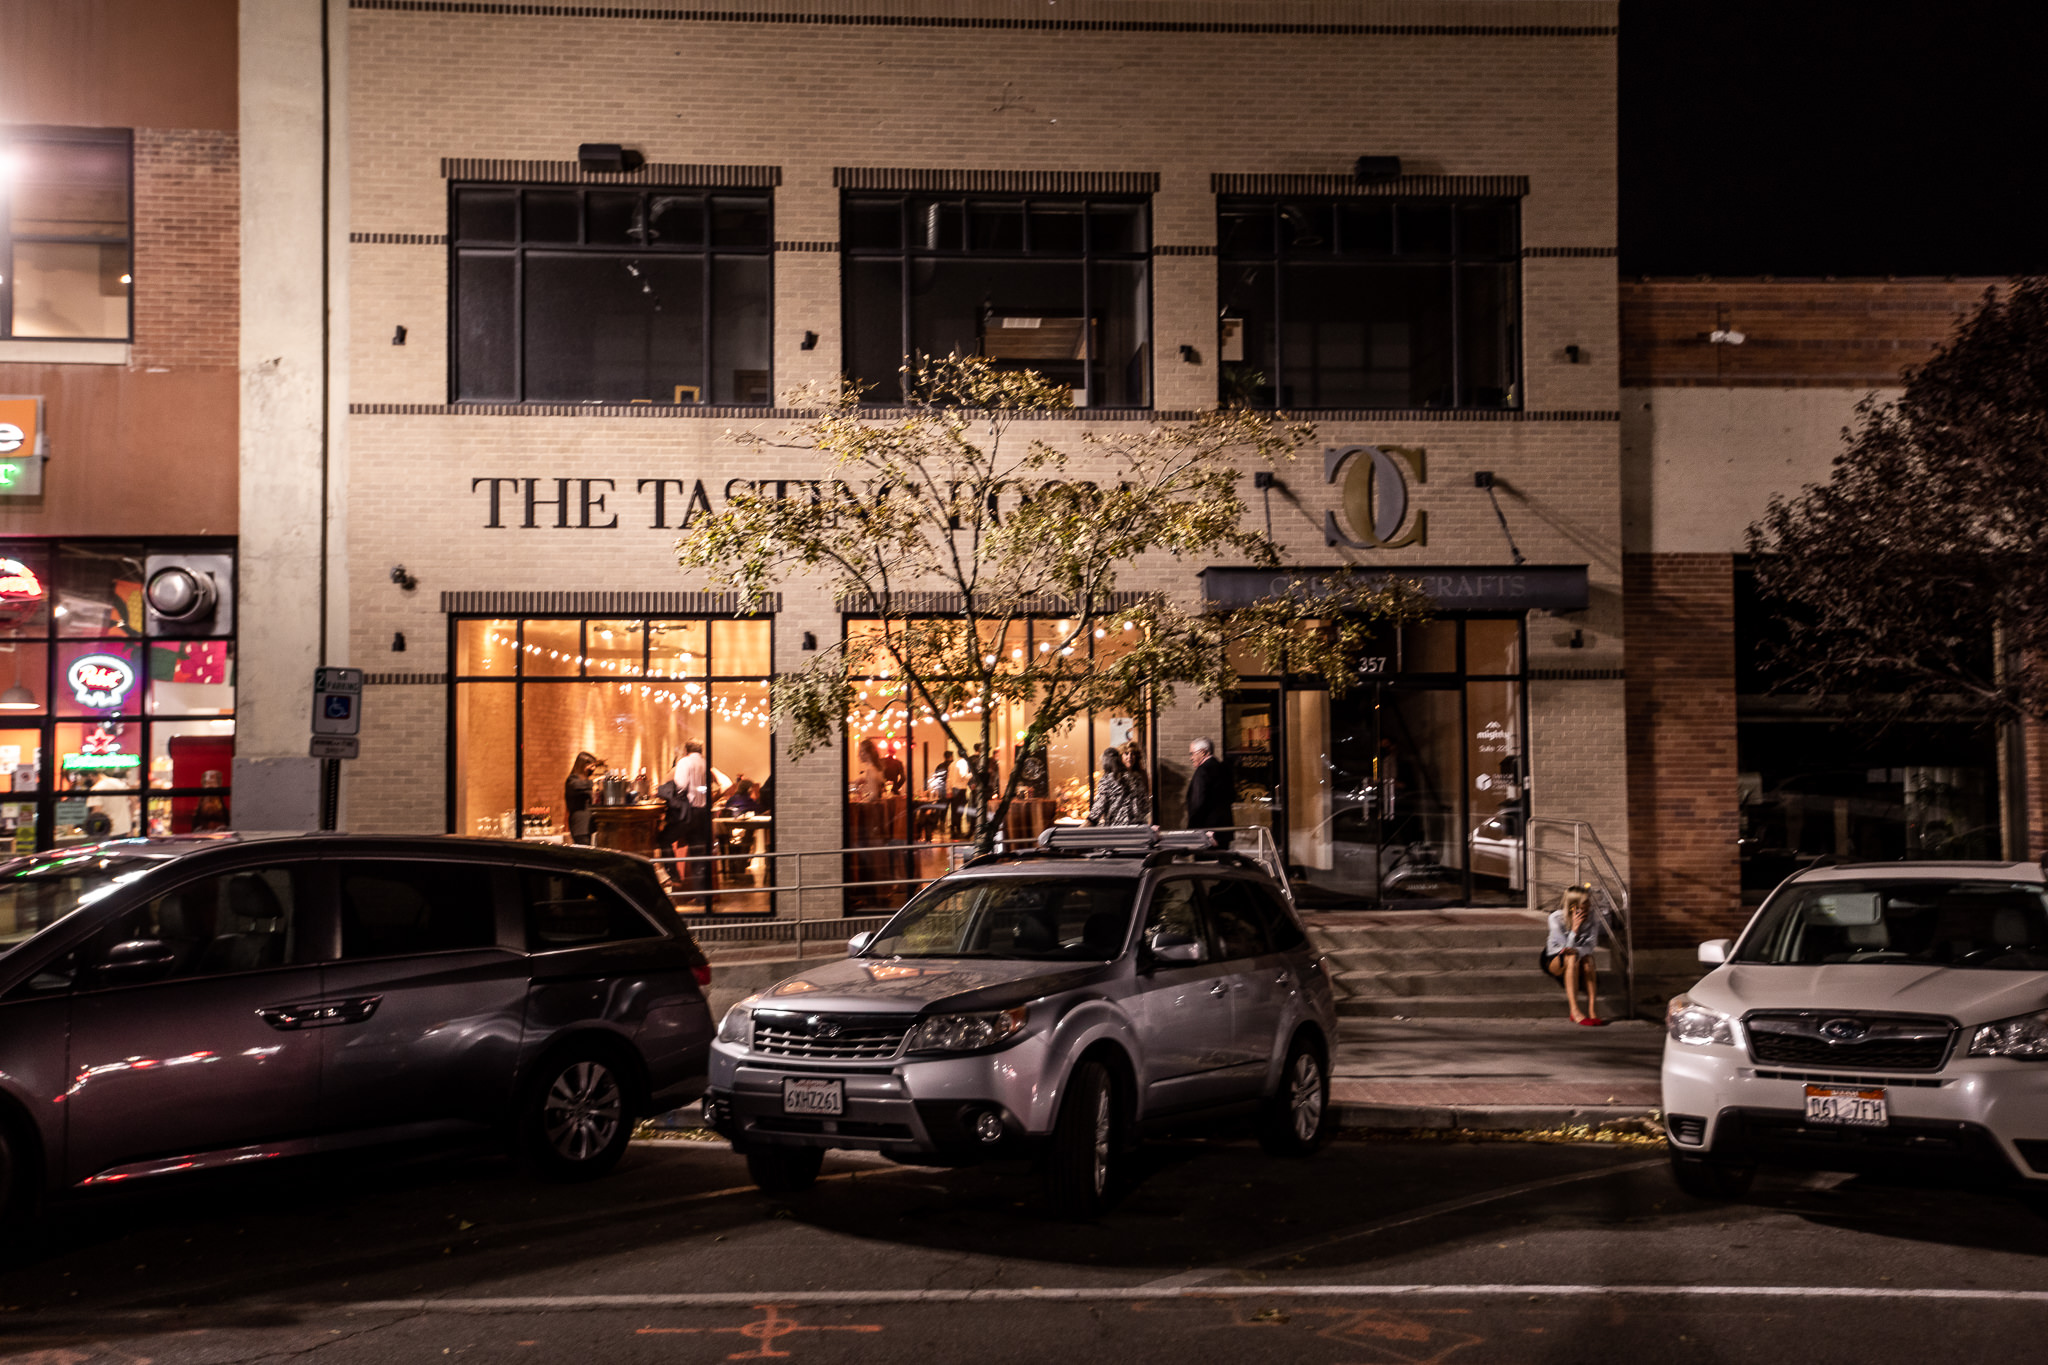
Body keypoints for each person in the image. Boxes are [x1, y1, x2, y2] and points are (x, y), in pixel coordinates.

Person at [1545, 885, 1604, 1025]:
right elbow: (1566, 948)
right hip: (1555, 957)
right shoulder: (1555, 918)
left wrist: (1578, 952)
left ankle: (1592, 1010)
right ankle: (1575, 1011)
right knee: (1571, 957)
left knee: (1588, 961)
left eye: (1589, 902)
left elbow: (1591, 945)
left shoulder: (1592, 917)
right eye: (1585, 903)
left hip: (1579, 954)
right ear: (1574, 906)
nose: (1589, 906)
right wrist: (1574, 930)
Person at [672, 742, 713, 907]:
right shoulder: (705, 764)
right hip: (704, 813)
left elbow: (680, 787)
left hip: (689, 812)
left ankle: (678, 887)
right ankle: (702, 896)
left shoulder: (684, 762)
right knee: (700, 855)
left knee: (668, 844)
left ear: (686, 750)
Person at [1184, 737, 1234, 847]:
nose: (1191, 758)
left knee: (1205, 863)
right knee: (1223, 863)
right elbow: (1232, 797)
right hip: (1224, 831)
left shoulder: (1202, 771)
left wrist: (1191, 830)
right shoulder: (1223, 768)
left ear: (1203, 753)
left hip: (1206, 833)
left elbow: (1197, 802)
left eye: (1192, 753)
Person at [1087, 747, 1146, 827]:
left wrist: (1078, 832)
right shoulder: (1136, 778)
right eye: (1126, 754)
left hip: (1118, 830)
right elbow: (1145, 806)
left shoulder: (1107, 780)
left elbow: (1097, 812)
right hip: (1138, 828)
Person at [564, 751, 601, 844]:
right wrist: (594, 782)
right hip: (580, 827)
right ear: (583, 765)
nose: (594, 769)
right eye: (591, 766)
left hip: (589, 826)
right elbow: (576, 786)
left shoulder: (585, 781)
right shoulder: (572, 780)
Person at [1121, 738, 1152, 823]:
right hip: (1121, 820)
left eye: (1133, 754)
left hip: (1138, 819)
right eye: (1126, 754)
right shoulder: (1117, 776)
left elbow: (1146, 797)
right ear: (1121, 756)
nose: (1129, 757)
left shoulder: (1141, 775)